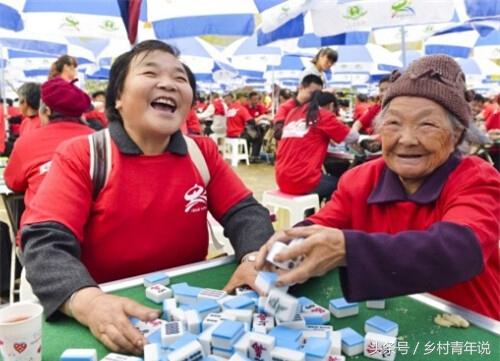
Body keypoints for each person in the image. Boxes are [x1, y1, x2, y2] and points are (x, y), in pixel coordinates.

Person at [20, 40, 274, 353]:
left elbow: (245, 213)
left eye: (180, 79)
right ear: (119, 97)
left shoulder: (202, 152)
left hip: (187, 306)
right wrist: (88, 301)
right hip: (104, 307)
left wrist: (253, 258)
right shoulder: (85, 155)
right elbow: (45, 241)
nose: (168, 83)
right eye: (150, 72)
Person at [256, 55, 500, 321]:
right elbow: (325, 222)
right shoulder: (360, 179)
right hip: (394, 319)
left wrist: (348, 249)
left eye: (427, 124)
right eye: (393, 124)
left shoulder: (477, 178)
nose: (406, 139)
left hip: (472, 322)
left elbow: (460, 249)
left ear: (457, 136)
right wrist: (284, 247)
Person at [5, 77, 94, 241]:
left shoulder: (27, 142)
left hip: (42, 238)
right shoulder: (100, 140)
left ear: (46, 111)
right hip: (95, 238)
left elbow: (13, 182)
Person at [275, 88, 359, 202]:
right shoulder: (323, 115)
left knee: (324, 180)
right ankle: (326, 218)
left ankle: (310, 213)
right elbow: (353, 137)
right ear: (331, 106)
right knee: (341, 185)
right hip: (301, 180)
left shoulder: (293, 113)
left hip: (281, 179)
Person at [273, 75, 325, 141]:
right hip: (289, 148)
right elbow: (278, 133)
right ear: (301, 88)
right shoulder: (286, 107)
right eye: (311, 93)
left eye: (318, 94)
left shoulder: (316, 108)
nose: (314, 97)